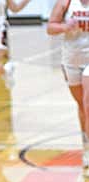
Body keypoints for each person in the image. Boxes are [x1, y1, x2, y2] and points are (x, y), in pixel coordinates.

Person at [47, 0, 89, 169]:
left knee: (88, 104)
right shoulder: (66, 2)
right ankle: (85, 146)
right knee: (81, 106)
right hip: (71, 59)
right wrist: (65, 27)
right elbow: (50, 28)